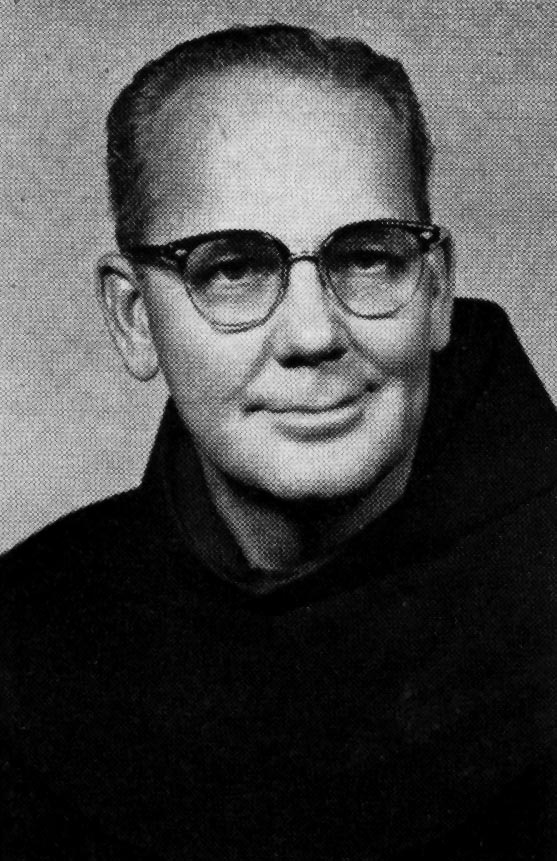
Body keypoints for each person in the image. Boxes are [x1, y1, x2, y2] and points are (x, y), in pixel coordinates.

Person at [1, 23, 556, 861]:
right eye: (231, 267)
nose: (312, 334)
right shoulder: (25, 636)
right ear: (133, 317)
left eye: (366, 257)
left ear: (435, 291)